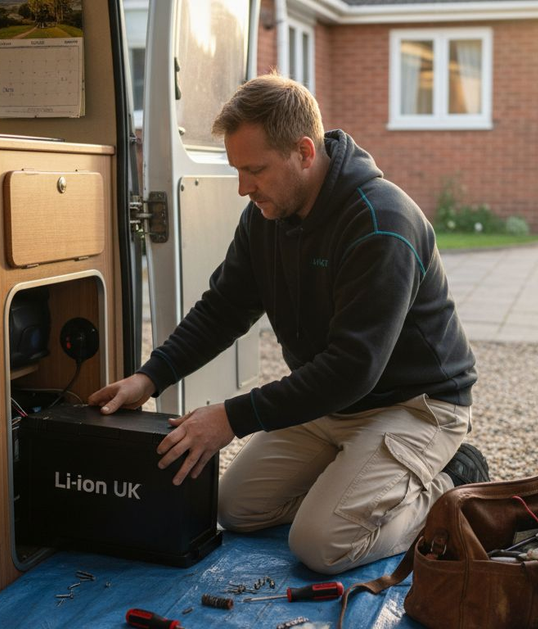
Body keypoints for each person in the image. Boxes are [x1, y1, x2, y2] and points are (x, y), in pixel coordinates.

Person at [89, 73, 488, 575]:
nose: (243, 188)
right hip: (330, 404)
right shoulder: (267, 216)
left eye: (254, 170)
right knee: (233, 509)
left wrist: (230, 418)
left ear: (304, 152)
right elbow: (224, 308)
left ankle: (452, 481)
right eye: (237, 170)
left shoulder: (381, 222)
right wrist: (150, 377)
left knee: (323, 545)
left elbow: (352, 368)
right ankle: (352, 484)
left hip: (413, 405)